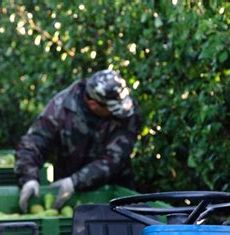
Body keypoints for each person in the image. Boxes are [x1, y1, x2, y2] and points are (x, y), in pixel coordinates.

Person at [15, 69, 142, 212]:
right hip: (67, 191)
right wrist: (28, 177)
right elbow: (34, 142)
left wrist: (76, 181)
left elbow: (115, 158)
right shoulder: (61, 109)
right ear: (93, 104)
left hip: (114, 187)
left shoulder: (124, 106)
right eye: (111, 109)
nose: (118, 113)